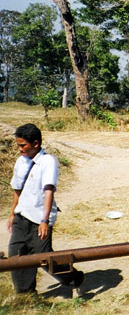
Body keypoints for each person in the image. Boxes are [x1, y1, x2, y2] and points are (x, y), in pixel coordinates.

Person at [7, 123, 83, 294]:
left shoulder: (48, 162)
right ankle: (26, 294)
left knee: (44, 257)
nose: (20, 149)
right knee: (17, 255)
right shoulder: (21, 161)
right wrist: (12, 213)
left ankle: (74, 278)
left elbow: (48, 191)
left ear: (35, 143)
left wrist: (44, 221)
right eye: (18, 145)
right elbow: (17, 190)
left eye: (22, 145)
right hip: (22, 216)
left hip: (39, 218)